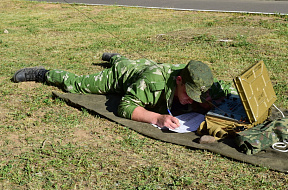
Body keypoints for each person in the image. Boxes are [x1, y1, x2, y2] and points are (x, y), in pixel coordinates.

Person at [13, 53, 224, 130]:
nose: (191, 100)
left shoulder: (195, 79)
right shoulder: (152, 84)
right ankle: (44, 74)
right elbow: (126, 106)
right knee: (77, 84)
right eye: (190, 94)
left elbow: (223, 89)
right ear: (179, 80)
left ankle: (115, 57)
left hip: (141, 65)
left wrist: (206, 102)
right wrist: (157, 118)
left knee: (124, 60)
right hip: (123, 76)